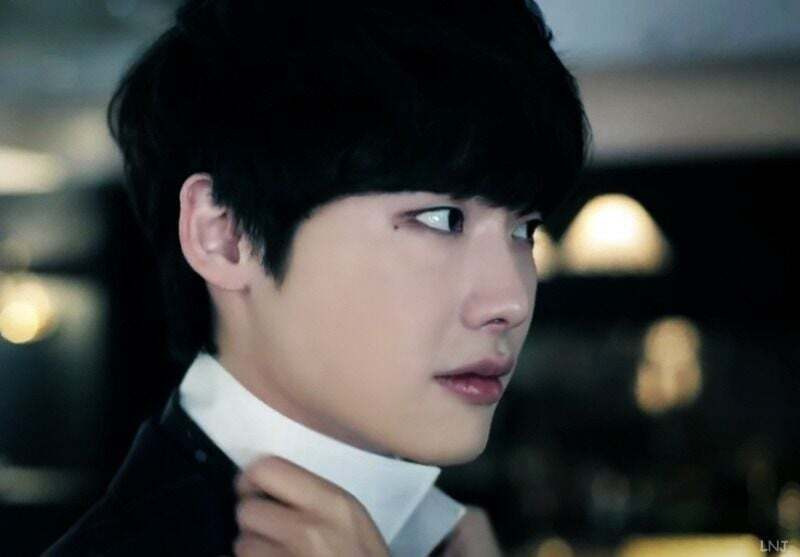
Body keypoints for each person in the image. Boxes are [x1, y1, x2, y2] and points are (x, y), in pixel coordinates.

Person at [45, 0, 588, 554]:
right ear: (225, 235)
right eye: (442, 219)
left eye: (524, 229)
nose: (511, 301)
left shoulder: (449, 536)